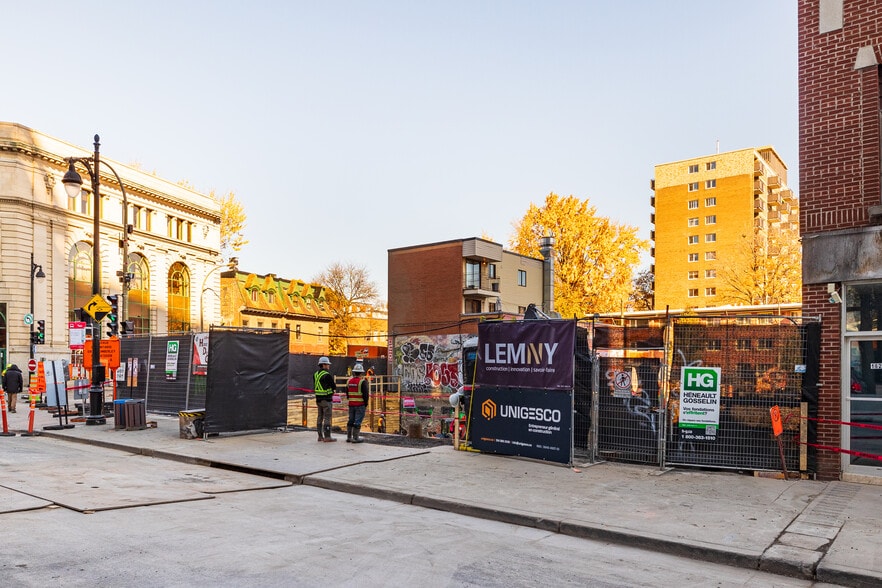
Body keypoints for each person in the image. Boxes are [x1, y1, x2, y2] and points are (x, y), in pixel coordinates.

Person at [314, 356, 337, 442]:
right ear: (323, 365)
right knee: (327, 417)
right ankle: (327, 436)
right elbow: (333, 386)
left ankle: (320, 436)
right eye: (327, 364)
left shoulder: (315, 374)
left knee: (320, 417)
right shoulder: (327, 375)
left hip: (318, 399)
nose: (328, 366)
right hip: (326, 400)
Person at [346, 363, 370, 443]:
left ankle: (349, 437)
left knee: (351, 420)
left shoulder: (349, 381)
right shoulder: (362, 382)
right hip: (360, 405)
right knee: (357, 421)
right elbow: (366, 395)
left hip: (351, 404)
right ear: (361, 372)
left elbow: (347, 393)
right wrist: (365, 404)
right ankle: (355, 438)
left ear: (354, 372)